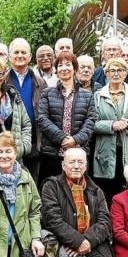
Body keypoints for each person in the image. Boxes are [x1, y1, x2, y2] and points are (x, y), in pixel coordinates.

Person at [92, 57, 128, 205]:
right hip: (105, 151)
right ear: (106, 74)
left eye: (120, 70)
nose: (116, 74)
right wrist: (111, 125)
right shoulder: (98, 96)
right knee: (107, 190)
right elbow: (92, 123)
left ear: (125, 73)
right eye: (112, 70)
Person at [37, 51, 96, 185]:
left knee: (78, 193)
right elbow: (42, 119)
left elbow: (90, 121)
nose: (64, 68)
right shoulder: (47, 93)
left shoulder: (87, 96)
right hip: (52, 153)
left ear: (75, 69)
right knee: (51, 190)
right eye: (60, 65)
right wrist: (62, 138)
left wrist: (75, 140)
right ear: (56, 70)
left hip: (78, 153)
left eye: (68, 65)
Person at [7, 38, 47, 179]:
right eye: (16, 52)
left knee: (30, 182)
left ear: (30, 57)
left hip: (33, 141)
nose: (20, 55)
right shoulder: (2, 80)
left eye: (23, 52)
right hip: (9, 139)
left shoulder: (40, 82)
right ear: (9, 56)